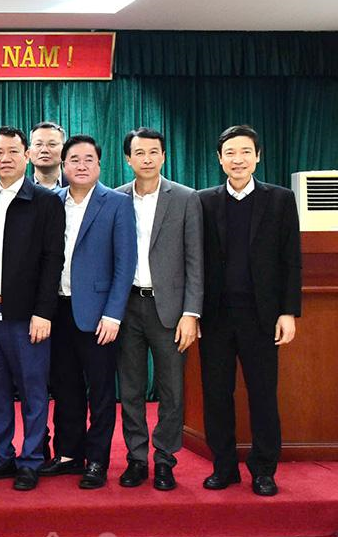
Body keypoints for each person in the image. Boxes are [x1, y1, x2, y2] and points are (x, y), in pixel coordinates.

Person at [197, 125, 301, 497]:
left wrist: (288, 312)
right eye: (230, 153)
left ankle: (263, 470)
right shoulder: (204, 201)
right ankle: (223, 467)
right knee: (216, 395)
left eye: (245, 152)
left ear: (257, 156)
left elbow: (291, 260)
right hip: (216, 316)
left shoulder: (280, 200)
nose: (237, 159)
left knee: (263, 395)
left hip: (261, 316)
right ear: (219, 159)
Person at [0, 126, 64, 491]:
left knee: (33, 391)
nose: (5, 158)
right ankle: (1, 457)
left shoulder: (46, 201)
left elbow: (53, 260)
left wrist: (44, 312)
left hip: (27, 317)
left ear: (26, 156)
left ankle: (31, 460)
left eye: (12, 151)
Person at [37, 135, 136, 489]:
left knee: (101, 391)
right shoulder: (51, 201)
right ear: (63, 165)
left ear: (99, 164)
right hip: (57, 310)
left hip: (98, 315)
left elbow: (125, 264)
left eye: (88, 159)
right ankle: (68, 454)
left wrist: (113, 314)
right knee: (64, 387)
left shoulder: (117, 203)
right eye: (74, 159)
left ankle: (96, 460)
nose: (81, 165)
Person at [114, 128, 203, 491]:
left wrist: (191, 313)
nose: (147, 159)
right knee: (131, 388)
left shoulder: (186, 198)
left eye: (154, 152)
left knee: (171, 390)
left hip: (170, 310)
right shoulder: (116, 198)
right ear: (128, 159)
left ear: (164, 156)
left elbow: (196, 260)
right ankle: (136, 458)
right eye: (139, 153)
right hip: (127, 307)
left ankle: (165, 459)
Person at [28, 122, 67, 192]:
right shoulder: (19, 189)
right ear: (29, 152)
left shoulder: (77, 186)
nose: (44, 150)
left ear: (64, 150)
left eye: (52, 144)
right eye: (38, 144)